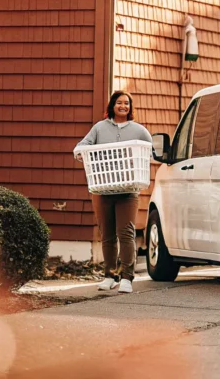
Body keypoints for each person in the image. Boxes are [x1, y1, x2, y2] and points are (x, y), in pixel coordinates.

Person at [74, 91, 152, 293]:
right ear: (112, 105)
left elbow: (150, 150)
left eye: (126, 103)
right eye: (119, 103)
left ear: (130, 107)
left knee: (126, 233)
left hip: (128, 189)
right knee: (107, 234)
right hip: (102, 188)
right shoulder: (99, 128)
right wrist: (79, 153)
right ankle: (110, 275)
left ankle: (127, 277)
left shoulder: (139, 130)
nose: (123, 106)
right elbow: (83, 145)